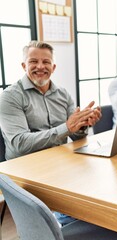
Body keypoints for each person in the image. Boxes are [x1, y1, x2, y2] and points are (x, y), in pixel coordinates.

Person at [0, 40, 102, 225]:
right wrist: (66, 127)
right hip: (25, 168)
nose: (40, 66)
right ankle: (62, 224)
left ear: (53, 67)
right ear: (24, 65)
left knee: (100, 180)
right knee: (84, 203)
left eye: (46, 62)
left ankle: (71, 223)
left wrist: (82, 125)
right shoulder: (10, 96)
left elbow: (76, 136)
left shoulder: (63, 94)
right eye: (33, 61)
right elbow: (19, 144)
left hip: (60, 164)